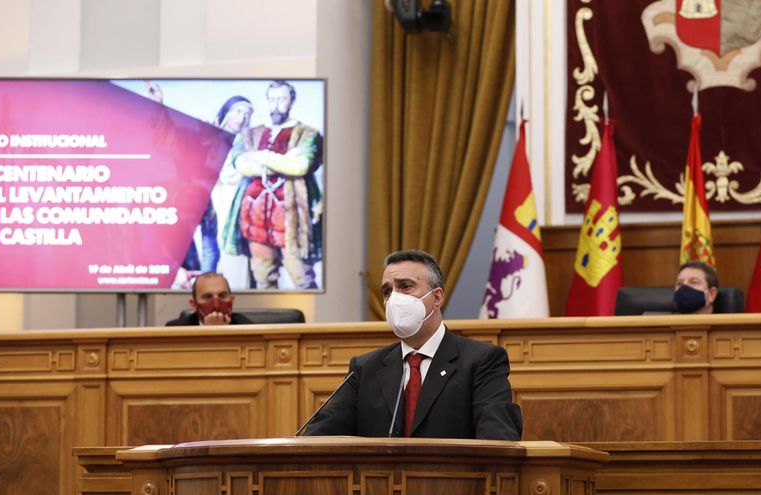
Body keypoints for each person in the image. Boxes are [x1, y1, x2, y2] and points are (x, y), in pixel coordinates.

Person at [302, 250, 522, 440]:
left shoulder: (482, 361)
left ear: (437, 298)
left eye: (405, 287)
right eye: (387, 291)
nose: (393, 299)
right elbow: (319, 436)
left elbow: (498, 439)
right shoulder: (365, 368)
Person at [226, 80, 323, 290]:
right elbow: (241, 164)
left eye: (282, 99)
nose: (276, 104)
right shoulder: (250, 133)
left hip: (293, 220)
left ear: (291, 101)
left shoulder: (308, 133)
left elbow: (300, 165)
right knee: (262, 280)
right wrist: (281, 161)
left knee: (303, 279)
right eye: (272, 99)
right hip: (254, 219)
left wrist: (259, 156)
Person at [165, 272, 253, 326]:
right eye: (207, 297)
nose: (216, 305)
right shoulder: (175, 330)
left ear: (232, 300)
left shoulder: (249, 329)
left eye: (222, 296)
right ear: (194, 304)